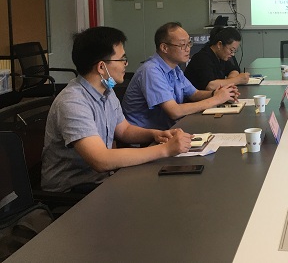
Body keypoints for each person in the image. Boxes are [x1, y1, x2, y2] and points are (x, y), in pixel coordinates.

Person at [41, 26, 193, 193]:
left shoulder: (106, 90)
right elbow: (101, 160)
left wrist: (156, 134)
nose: (126, 64)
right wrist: (165, 149)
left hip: (100, 181)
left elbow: (124, 130)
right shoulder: (72, 102)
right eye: (122, 59)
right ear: (101, 67)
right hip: (73, 191)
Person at [122, 22, 238, 130]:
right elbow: (174, 111)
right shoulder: (151, 71)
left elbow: (194, 94)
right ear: (164, 48)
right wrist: (216, 99)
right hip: (145, 137)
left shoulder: (175, 68)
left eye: (189, 44)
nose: (188, 49)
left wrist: (217, 93)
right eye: (183, 45)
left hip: (168, 129)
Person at [184, 26, 250, 90]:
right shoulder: (202, 58)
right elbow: (211, 86)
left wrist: (230, 81)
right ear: (219, 45)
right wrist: (237, 80)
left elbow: (234, 70)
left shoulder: (221, 56)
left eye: (234, 51)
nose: (232, 54)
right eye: (231, 50)